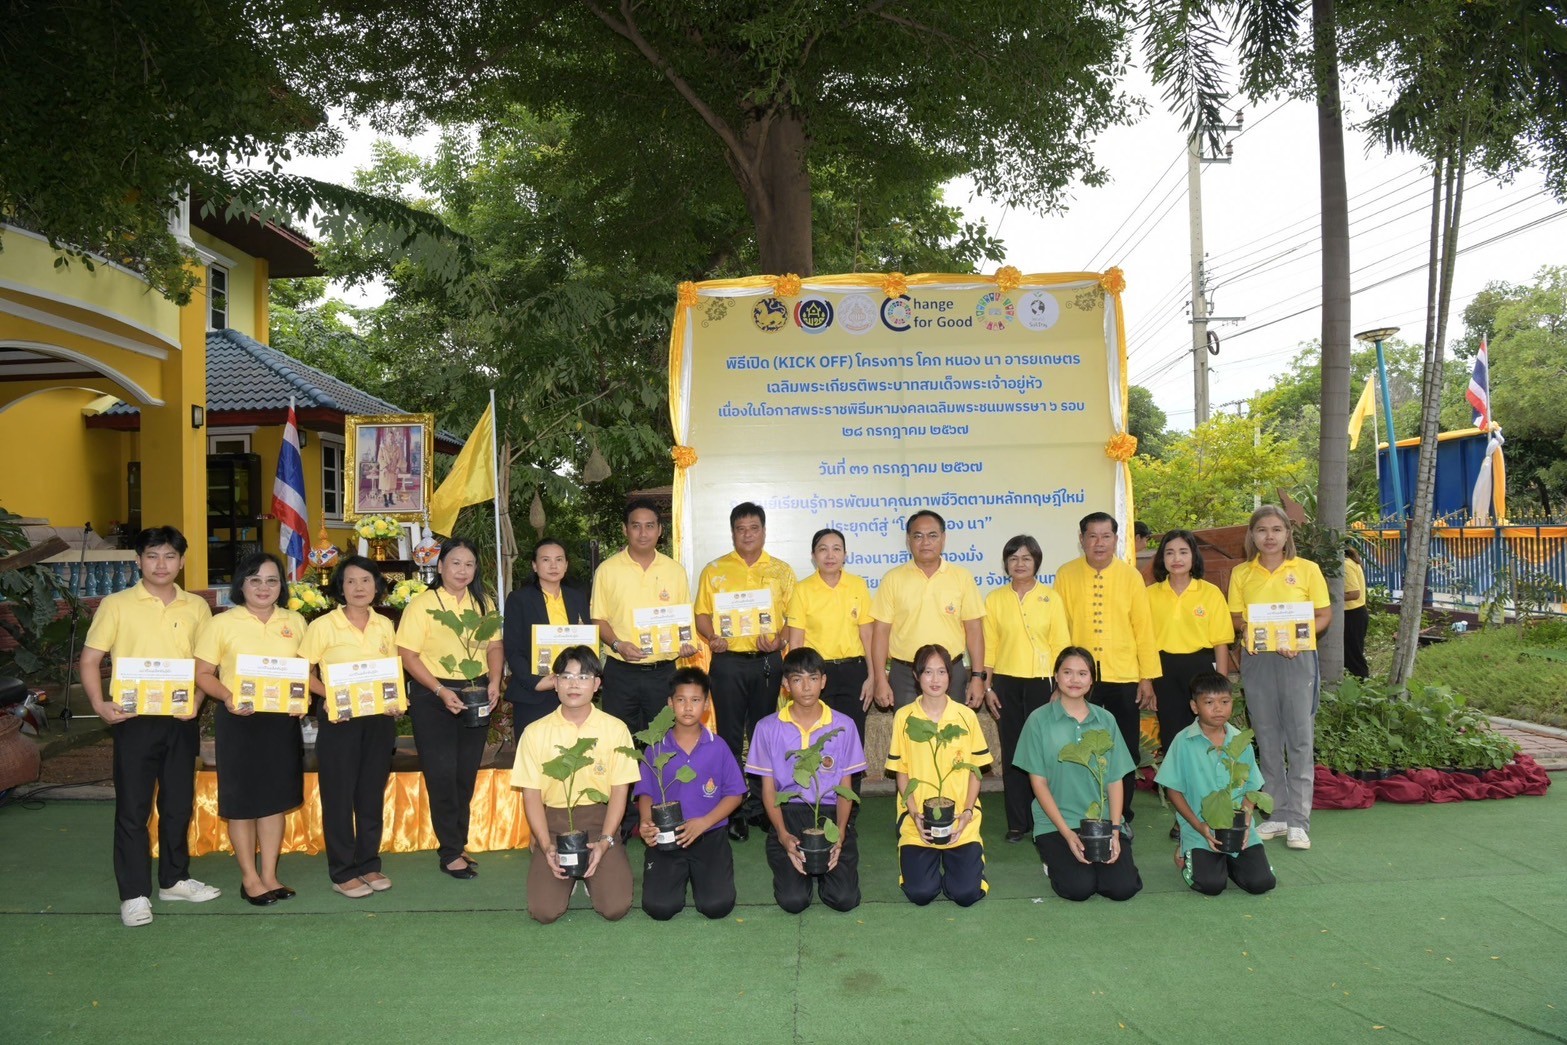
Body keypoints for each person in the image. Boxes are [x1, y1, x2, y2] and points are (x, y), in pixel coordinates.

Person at [79, 526, 219, 926]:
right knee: (133, 809)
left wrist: (196, 700)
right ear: (139, 560)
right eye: (153, 556)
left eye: (170, 556)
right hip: (132, 719)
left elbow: (203, 666)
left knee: (177, 805)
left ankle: (174, 879)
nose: (162, 564)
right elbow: (90, 660)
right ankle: (134, 894)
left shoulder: (196, 607)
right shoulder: (117, 604)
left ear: (182, 561)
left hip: (180, 719)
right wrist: (98, 704)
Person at [193, 552, 307, 906]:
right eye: (255, 580)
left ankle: (270, 875)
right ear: (241, 584)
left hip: (281, 722)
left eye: (272, 580)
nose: (263, 587)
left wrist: (302, 700)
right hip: (238, 720)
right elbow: (202, 673)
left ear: (281, 586)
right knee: (242, 802)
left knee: (274, 801)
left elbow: (307, 670)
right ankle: (250, 878)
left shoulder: (296, 621)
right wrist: (227, 697)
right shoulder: (222, 623)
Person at [395, 538, 503, 879]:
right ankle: (450, 852)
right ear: (440, 567)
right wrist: (440, 690)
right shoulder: (423, 604)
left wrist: (495, 682)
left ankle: (458, 842)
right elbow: (407, 655)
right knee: (441, 775)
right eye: (455, 563)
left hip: (476, 691)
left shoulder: (483, 602)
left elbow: (495, 646)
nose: (462, 570)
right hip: (434, 696)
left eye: (469, 564)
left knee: (464, 773)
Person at [1227, 505, 1332, 851]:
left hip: (1297, 659)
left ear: (1288, 534)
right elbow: (1237, 618)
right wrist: (1260, 633)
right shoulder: (1242, 573)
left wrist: (1295, 639)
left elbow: (1323, 615)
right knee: (1268, 737)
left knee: (1300, 738)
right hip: (1257, 660)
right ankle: (1276, 812)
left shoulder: (1306, 570)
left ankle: (1299, 821)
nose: (1269, 537)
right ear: (1252, 535)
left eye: (1276, 530)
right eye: (1261, 530)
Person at [694, 502, 797, 840]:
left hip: (768, 662)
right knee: (728, 735)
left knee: (763, 736)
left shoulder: (782, 571)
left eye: (754, 528)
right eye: (741, 529)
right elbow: (703, 615)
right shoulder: (715, 569)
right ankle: (733, 808)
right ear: (733, 532)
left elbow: (792, 620)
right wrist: (711, 638)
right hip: (728, 663)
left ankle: (761, 807)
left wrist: (780, 641)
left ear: (764, 531)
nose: (748, 534)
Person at [514, 646, 638, 924]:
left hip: (599, 821)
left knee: (615, 908)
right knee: (544, 912)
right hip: (554, 824)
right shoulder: (534, 733)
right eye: (566, 676)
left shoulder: (615, 728)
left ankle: (596, 871)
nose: (573, 684)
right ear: (555, 682)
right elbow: (531, 795)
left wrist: (606, 841)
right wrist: (546, 845)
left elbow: (620, 792)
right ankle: (562, 878)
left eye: (583, 677)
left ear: (597, 685)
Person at [299, 556, 399, 898]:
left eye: (366, 581)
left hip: (379, 721)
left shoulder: (384, 625)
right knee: (339, 797)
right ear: (340, 587)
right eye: (351, 581)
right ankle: (342, 871)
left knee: (370, 795)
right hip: (340, 721)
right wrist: (329, 695)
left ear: (377, 586)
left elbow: (391, 672)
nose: (359, 588)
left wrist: (396, 700)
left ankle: (369, 863)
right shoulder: (322, 626)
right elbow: (302, 670)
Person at [1053, 511, 1160, 829]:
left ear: (1115, 539)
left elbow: (1144, 629)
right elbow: (1060, 630)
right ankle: (1078, 813)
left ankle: (1121, 815)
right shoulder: (1066, 574)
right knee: (1076, 747)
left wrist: (1147, 677)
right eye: (1092, 536)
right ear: (1081, 539)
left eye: (1106, 536)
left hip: (1123, 676)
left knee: (1123, 749)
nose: (1099, 543)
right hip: (1078, 681)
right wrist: (1060, 679)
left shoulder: (1130, 576)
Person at [1013, 647, 1142, 902]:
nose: (1075, 680)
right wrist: (1068, 833)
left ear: (1092, 679)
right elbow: (1038, 784)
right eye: (1067, 672)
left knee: (1122, 888)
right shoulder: (1038, 721)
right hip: (1057, 822)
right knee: (1079, 889)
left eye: (1082, 673)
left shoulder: (1106, 719)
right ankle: (1053, 862)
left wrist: (1115, 830)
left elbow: (1116, 779)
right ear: (1056, 677)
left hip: (1102, 821)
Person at [748, 647, 866, 913]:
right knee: (793, 901)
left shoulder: (844, 725)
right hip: (789, 813)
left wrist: (841, 835)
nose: (806, 687)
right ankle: (790, 860)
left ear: (824, 681)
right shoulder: (767, 727)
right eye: (797, 679)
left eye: (813, 678)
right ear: (785, 685)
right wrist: (782, 835)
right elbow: (768, 790)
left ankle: (831, 872)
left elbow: (846, 789)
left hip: (829, 814)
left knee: (844, 898)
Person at [885, 644, 993, 906]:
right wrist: (913, 813)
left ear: (950, 676)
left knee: (966, 894)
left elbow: (975, 771)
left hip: (960, 818)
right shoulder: (904, 716)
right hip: (919, 818)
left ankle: (962, 867)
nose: (935, 680)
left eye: (942, 672)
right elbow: (902, 772)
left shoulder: (966, 716)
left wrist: (967, 812)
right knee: (921, 893)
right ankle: (922, 863)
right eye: (928, 672)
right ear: (916, 675)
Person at [634, 667, 746, 920]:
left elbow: (734, 794)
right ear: (670, 704)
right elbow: (646, 792)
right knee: (659, 908)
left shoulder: (718, 746)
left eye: (695, 700)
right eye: (680, 700)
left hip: (710, 834)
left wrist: (705, 822)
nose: (687, 707)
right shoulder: (656, 747)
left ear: (706, 704)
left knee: (716, 906)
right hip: (666, 836)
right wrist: (645, 822)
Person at [980, 534, 1070, 843]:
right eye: (1014, 558)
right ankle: (1017, 822)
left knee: (1047, 754)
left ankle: (1049, 819)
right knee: (1014, 752)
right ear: (1006, 563)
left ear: (1036, 563)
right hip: (1006, 683)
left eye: (1026, 558)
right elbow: (988, 648)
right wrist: (988, 686)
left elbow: (1061, 645)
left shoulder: (1051, 598)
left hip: (1044, 685)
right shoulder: (994, 599)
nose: (1020, 564)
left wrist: (1061, 686)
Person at [1154, 672, 1278, 896]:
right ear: (1194, 706)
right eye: (1209, 703)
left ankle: (1227, 863)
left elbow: (1252, 787)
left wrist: (1247, 818)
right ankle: (1187, 851)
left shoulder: (1240, 740)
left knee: (1262, 882)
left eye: (1224, 702)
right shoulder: (1183, 741)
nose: (1218, 709)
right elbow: (1173, 789)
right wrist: (1197, 826)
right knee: (1211, 885)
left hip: (1239, 830)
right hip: (1201, 828)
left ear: (1232, 703)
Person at [591, 500, 697, 741]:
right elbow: (598, 619)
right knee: (620, 742)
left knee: (664, 741)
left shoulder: (675, 570)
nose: (643, 533)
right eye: (636, 526)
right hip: (621, 672)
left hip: (664, 674)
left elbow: (682, 621)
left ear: (660, 530)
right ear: (624, 529)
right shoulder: (607, 570)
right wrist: (618, 644)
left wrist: (685, 644)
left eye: (650, 526)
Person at [782, 527, 877, 796]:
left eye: (836, 549)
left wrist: (873, 676)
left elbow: (867, 634)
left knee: (851, 740)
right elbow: (796, 640)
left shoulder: (857, 585)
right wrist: (795, 679)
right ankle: (817, 801)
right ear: (813, 556)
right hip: (815, 675)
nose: (830, 555)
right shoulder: (802, 590)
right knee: (815, 741)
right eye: (823, 549)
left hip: (854, 672)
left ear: (845, 554)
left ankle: (850, 806)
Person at [869, 510, 987, 710]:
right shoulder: (893, 579)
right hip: (905, 675)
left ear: (943, 538)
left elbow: (974, 630)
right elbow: (880, 632)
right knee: (908, 736)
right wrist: (880, 679)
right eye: (918, 536)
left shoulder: (962, 577)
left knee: (953, 735)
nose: (925, 542)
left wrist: (977, 677)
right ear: (908, 540)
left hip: (950, 672)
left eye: (932, 535)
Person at [1146, 529, 1235, 768]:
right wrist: (1146, 680)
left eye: (1183, 552)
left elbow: (1221, 642)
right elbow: (1144, 643)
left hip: (1201, 668)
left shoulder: (1210, 593)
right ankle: (1178, 791)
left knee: (1207, 729)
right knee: (1172, 732)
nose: (1177, 558)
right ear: (1162, 559)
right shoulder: (1149, 595)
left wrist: (1221, 683)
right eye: (1170, 553)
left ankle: (1209, 781)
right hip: (1163, 669)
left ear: (1193, 557)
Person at [502, 538, 592, 734]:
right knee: (536, 755)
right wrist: (535, 682)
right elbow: (513, 649)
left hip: (573, 690)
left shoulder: (577, 598)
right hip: (535, 692)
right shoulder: (519, 600)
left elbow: (587, 642)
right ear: (534, 565)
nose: (553, 565)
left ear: (566, 565)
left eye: (559, 560)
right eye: (545, 560)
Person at [1343, 544, 1370, 678]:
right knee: (1350, 654)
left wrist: (1330, 597)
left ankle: (1362, 685)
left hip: (1352, 613)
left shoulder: (1346, 565)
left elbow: (1354, 593)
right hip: (1354, 613)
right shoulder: (1350, 562)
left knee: (1354, 656)